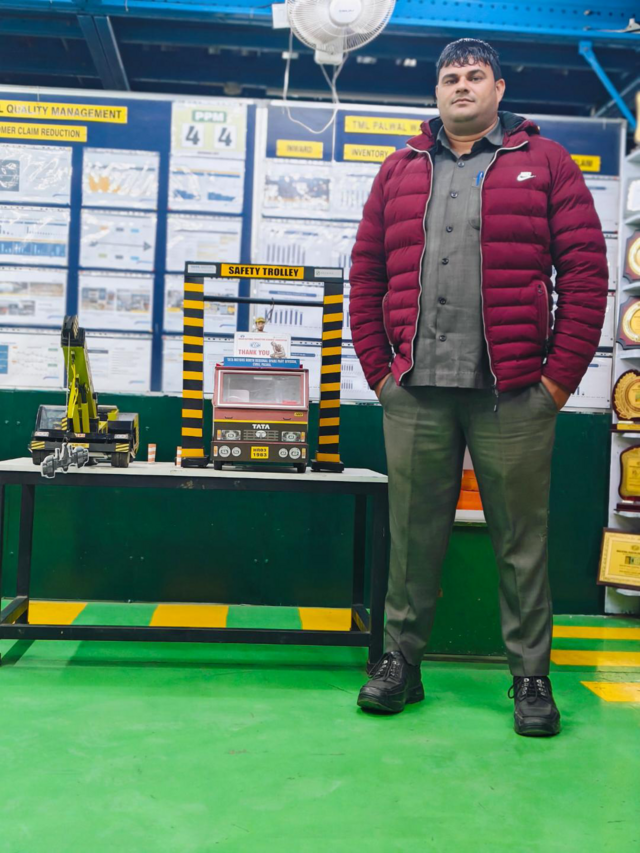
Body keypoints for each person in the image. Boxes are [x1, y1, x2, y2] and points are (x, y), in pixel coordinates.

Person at [349, 38, 607, 736]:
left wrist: (556, 383)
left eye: (474, 76)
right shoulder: (399, 169)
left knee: (522, 541)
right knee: (412, 537)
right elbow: (366, 274)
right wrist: (381, 373)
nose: (460, 86)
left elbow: (586, 276)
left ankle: (530, 678)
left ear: (499, 89)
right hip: (416, 389)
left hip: (513, 392)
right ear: (436, 93)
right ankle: (400, 664)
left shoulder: (546, 163)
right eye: (449, 78)